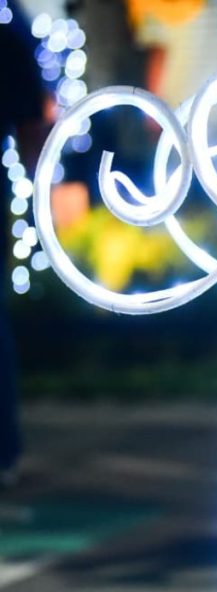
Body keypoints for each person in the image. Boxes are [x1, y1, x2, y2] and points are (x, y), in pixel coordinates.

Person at [1, 7, 48, 487]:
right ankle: (6, 450)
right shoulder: (11, 36)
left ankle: (6, 448)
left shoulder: (10, 38)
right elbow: (33, 129)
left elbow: (33, 126)